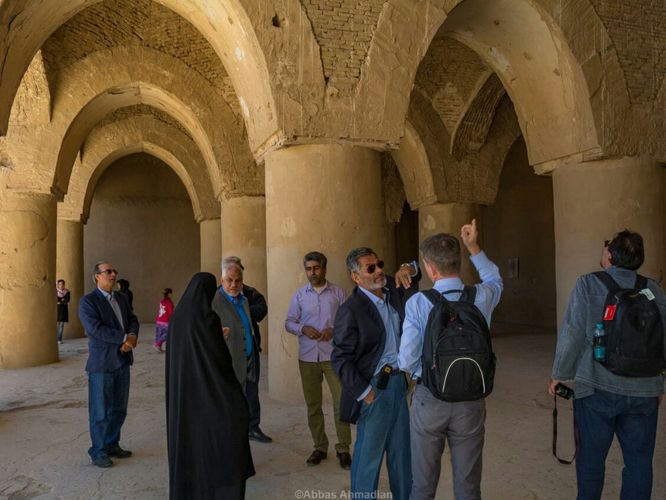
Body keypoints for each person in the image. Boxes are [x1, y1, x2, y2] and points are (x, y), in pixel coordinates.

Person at [548, 230, 666, 500]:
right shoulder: (654, 289)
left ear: (609, 256)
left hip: (596, 388)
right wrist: (659, 381)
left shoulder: (588, 285)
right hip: (645, 390)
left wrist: (559, 375)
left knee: (591, 460)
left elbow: (573, 333)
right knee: (639, 462)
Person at [398, 220, 503, 500]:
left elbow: (406, 360)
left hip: (429, 398)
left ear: (430, 268)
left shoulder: (419, 303)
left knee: (422, 485)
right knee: (468, 486)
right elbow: (495, 279)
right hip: (471, 397)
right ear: (458, 262)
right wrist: (473, 246)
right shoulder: (481, 296)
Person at [331, 249, 419, 500]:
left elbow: (416, 271)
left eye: (379, 264)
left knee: (401, 454)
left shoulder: (391, 289)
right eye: (370, 268)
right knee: (368, 459)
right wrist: (365, 392)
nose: (379, 270)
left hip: (399, 385)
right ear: (356, 277)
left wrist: (408, 267)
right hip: (374, 389)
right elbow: (340, 358)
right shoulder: (351, 309)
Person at [166, 272, 255, 500]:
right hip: (210, 393)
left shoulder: (177, 318)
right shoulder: (208, 319)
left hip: (185, 394)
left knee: (192, 441)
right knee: (230, 427)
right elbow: (219, 362)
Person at [285, 251, 352, 469]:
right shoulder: (299, 295)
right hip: (307, 357)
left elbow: (348, 320)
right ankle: (319, 447)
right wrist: (302, 328)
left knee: (340, 402)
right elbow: (289, 322)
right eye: (308, 269)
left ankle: (343, 448)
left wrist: (334, 330)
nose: (312, 273)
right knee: (313, 405)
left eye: (316, 268)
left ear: (324, 269)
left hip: (333, 356)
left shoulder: (338, 293)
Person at [79, 261, 139, 468]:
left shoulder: (121, 298)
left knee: (119, 409)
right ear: (97, 276)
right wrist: (124, 338)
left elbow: (133, 319)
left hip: (123, 361)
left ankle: (112, 444)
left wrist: (131, 336)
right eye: (108, 271)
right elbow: (95, 329)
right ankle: (98, 450)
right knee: (100, 411)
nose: (113, 274)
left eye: (115, 271)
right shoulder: (88, 302)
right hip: (102, 364)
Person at [212, 258, 272, 444]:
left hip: (250, 355)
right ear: (222, 281)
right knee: (231, 400)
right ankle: (231, 434)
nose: (234, 284)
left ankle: (253, 428)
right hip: (230, 360)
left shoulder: (245, 299)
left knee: (252, 395)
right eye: (229, 280)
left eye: (238, 280)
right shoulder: (214, 302)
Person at [154, 287, 174, 353]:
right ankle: (157, 344)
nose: (172, 295)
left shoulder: (162, 301)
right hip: (165, 321)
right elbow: (171, 313)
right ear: (169, 294)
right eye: (171, 293)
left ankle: (158, 346)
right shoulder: (169, 302)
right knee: (167, 334)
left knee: (159, 334)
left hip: (159, 320)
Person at [56, 279, 70, 344]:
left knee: (61, 325)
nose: (61, 285)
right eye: (60, 284)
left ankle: (59, 339)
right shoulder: (55, 291)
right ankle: (55, 339)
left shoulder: (67, 291)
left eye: (62, 284)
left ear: (64, 285)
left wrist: (60, 301)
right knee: (56, 325)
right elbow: (55, 299)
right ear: (58, 285)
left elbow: (67, 300)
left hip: (63, 310)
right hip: (56, 310)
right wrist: (62, 300)